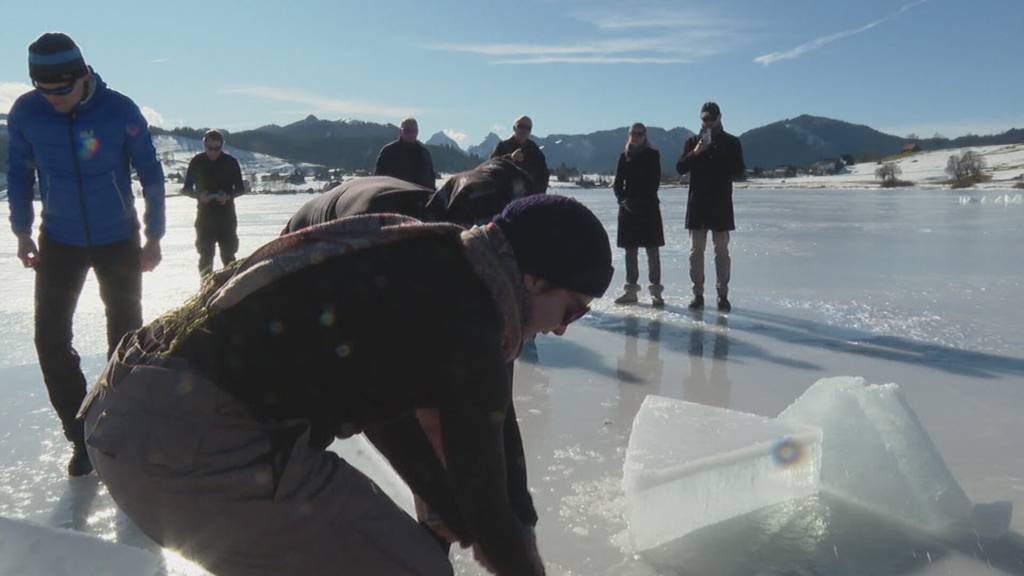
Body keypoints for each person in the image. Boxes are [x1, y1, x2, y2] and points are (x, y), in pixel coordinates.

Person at [79, 195, 613, 575]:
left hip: (126, 410)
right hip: (191, 443)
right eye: (572, 309)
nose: (563, 327)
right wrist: (505, 547)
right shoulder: (473, 317)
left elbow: (386, 407)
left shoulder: (429, 251)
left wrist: (444, 503)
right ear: (535, 278)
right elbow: (484, 493)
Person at [6, 32, 165, 477]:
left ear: (82, 74)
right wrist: (21, 230)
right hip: (59, 240)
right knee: (50, 340)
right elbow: (19, 176)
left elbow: (152, 175)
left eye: (61, 89)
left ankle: (123, 428)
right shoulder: (26, 113)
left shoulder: (119, 110)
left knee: (125, 340)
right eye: (43, 90)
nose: (53, 98)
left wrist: (153, 237)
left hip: (117, 239)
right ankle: (81, 436)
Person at [675, 102, 745, 312]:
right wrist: (696, 152)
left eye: (711, 118)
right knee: (696, 252)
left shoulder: (731, 142)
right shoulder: (692, 142)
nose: (708, 122)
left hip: (721, 204)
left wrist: (718, 151)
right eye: (704, 119)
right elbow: (680, 168)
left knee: (721, 252)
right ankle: (698, 294)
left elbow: (739, 169)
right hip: (698, 205)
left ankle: (722, 295)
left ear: (719, 118)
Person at [612, 123, 665, 307]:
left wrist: (640, 201)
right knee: (630, 251)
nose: (636, 136)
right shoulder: (623, 156)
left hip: (648, 208)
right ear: (629, 135)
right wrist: (622, 200)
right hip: (628, 210)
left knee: (652, 251)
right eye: (633, 133)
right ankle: (631, 292)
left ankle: (656, 292)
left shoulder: (653, 155)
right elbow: (618, 183)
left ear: (645, 135)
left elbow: (654, 182)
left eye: (639, 134)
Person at [182, 129, 245, 276]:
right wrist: (199, 196)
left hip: (226, 218)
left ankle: (232, 294)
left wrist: (228, 196)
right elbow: (186, 189)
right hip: (205, 219)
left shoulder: (231, 162)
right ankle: (205, 292)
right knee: (205, 259)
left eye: (217, 148)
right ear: (204, 145)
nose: (213, 152)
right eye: (209, 148)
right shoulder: (197, 162)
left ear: (222, 146)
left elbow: (240, 189)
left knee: (229, 258)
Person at [491, 115, 550, 194]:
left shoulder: (535, 150)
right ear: (514, 128)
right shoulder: (502, 146)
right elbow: (490, 167)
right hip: (504, 195)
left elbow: (544, 175)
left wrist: (537, 194)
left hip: (529, 197)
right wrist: (510, 158)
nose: (524, 130)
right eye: (521, 126)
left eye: (528, 128)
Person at [374, 117, 436, 189]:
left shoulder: (424, 153)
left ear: (417, 132)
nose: (411, 134)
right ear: (400, 131)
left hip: (421, 196)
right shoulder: (388, 152)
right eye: (407, 131)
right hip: (394, 195)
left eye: (414, 131)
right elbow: (378, 180)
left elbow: (431, 180)